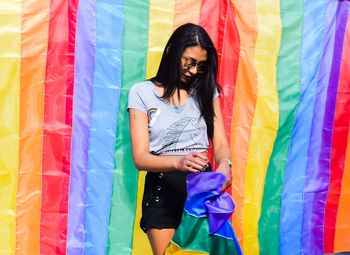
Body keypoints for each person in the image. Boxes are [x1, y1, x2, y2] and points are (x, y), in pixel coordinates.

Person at [127, 23, 232, 255]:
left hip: (203, 188)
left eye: (201, 65)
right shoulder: (142, 93)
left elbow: (221, 143)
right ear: (171, 51)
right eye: (189, 61)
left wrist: (225, 165)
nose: (194, 71)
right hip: (164, 189)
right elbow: (141, 157)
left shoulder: (206, 89)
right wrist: (178, 162)